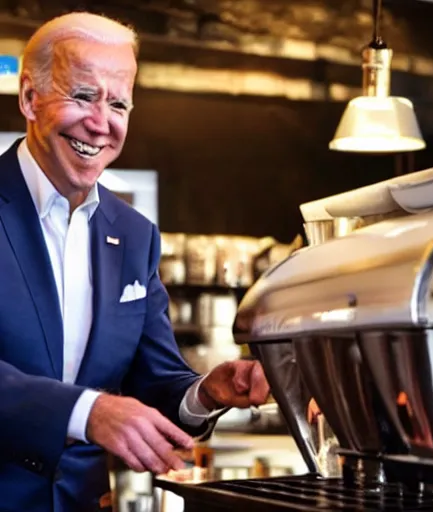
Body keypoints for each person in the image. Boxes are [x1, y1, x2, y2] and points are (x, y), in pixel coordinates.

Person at [0, 10, 270, 511]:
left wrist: (206, 392)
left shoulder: (134, 234)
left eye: (118, 103)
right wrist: (88, 411)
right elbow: (96, 410)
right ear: (29, 97)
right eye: (81, 95)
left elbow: (157, 381)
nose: (101, 123)